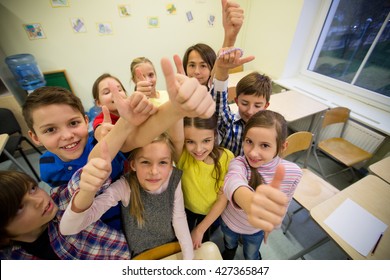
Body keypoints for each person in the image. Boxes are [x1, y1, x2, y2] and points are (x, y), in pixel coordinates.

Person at [60, 135, 194, 259]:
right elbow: (68, 228)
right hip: (142, 256)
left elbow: (179, 218)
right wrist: (87, 190)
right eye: (145, 162)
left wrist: (189, 260)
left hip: (172, 247)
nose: (154, 171)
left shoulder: (174, 177)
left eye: (163, 162)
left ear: (171, 165)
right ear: (133, 165)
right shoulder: (125, 186)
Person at [21, 86, 127, 231]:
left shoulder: (105, 146)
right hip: (88, 230)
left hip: (128, 220)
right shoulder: (46, 165)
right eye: (50, 129)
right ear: (35, 137)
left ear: (85, 121)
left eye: (73, 123)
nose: (67, 135)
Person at [220, 110, 303, 260]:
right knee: (229, 244)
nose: (252, 153)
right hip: (229, 222)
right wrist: (250, 202)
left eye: (264, 145)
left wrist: (271, 225)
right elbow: (233, 181)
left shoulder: (293, 173)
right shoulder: (239, 163)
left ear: (282, 147)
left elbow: (284, 203)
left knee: (251, 255)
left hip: (256, 230)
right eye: (249, 141)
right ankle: (230, 252)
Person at [0, 170, 130, 260]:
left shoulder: (63, 201)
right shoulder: (13, 257)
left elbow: (85, 178)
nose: (39, 200)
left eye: (33, 189)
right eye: (20, 207)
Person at [175, 114, 234, 249]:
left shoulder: (227, 158)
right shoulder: (181, 153)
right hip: (185, 210)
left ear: (215, 136)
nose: (199, 149)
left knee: (203, 239)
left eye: (206, 141)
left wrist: (200, 230)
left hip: (211, 213)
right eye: (190, 142)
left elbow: (222, 200)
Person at [91, 73, 128, 141]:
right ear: (98, 103)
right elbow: (99, 131)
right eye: (107, 92)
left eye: (119, 90)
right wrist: (101, 132)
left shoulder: (133, 110)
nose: (115, 93)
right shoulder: (101, 119)